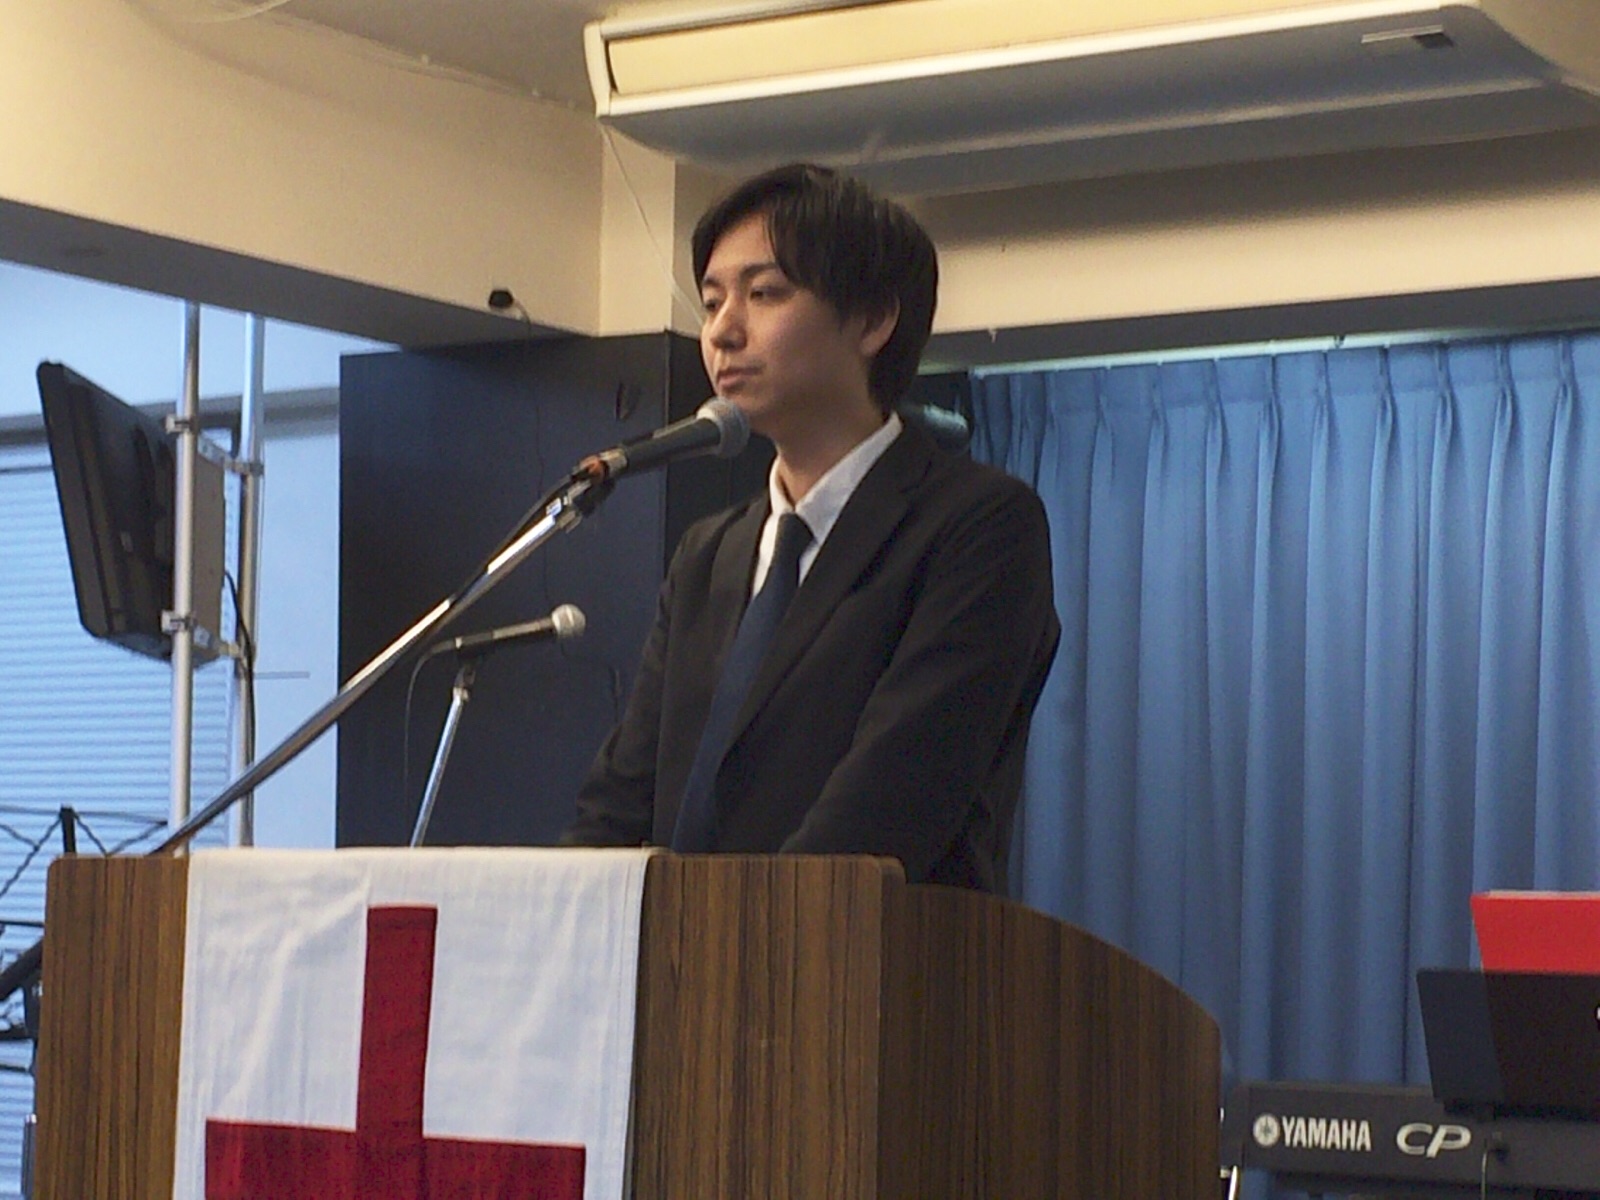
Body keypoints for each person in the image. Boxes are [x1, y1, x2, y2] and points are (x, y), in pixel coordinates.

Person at [561, 163, 1058, 892]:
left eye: (764, 293)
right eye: (711, 301)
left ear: (873, 320)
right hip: (679, 952)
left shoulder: (976, 526)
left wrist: (742, 936)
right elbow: (620, 800)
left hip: (860, 950)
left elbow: (892, 799)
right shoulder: (710, 554)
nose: (723, 331)